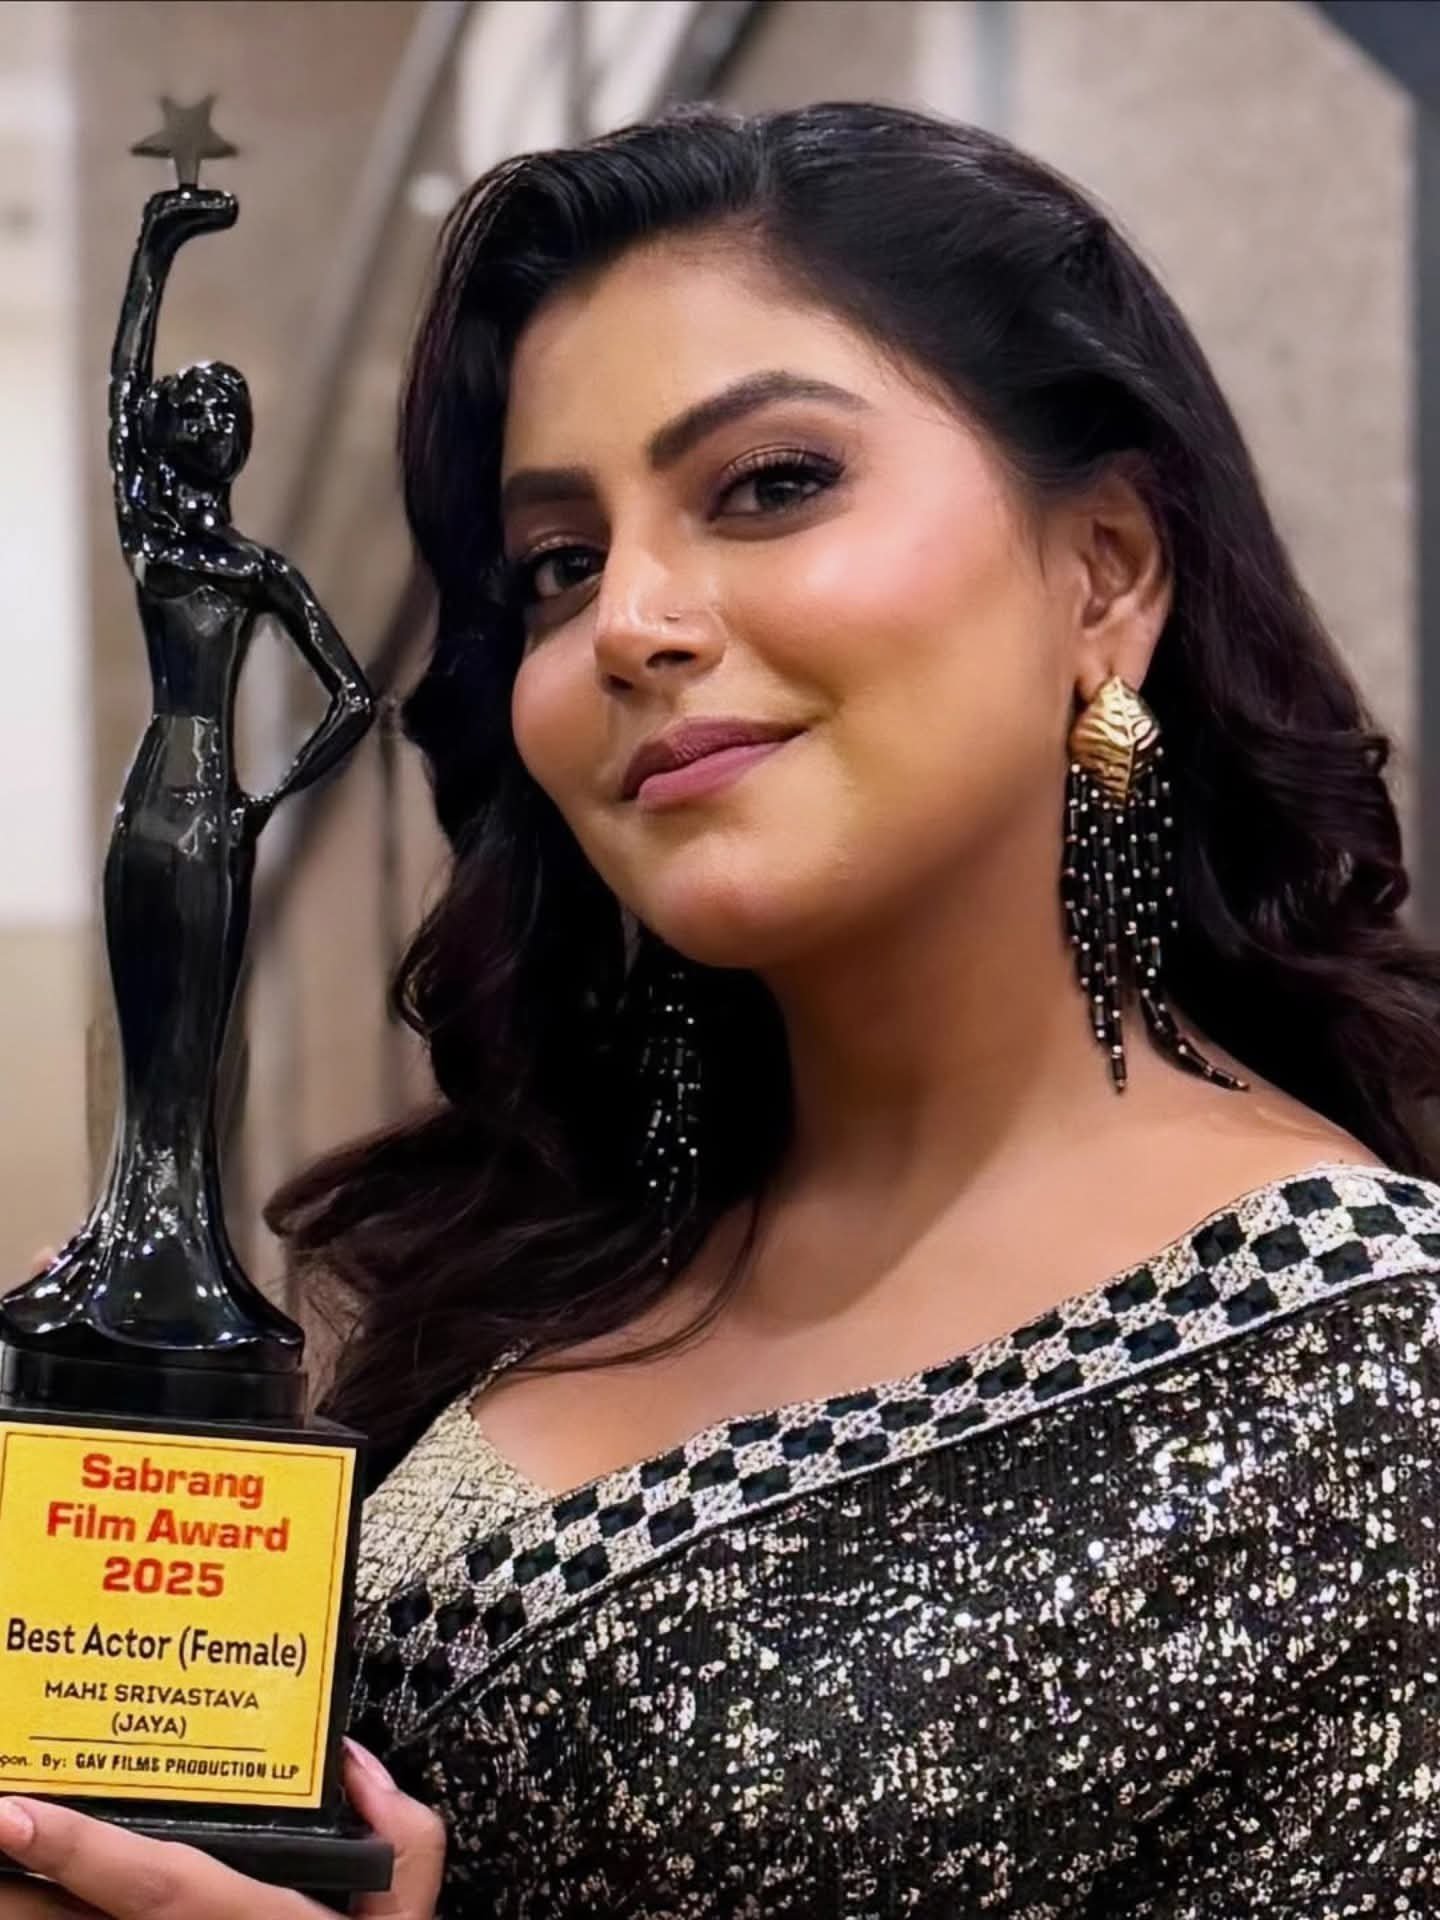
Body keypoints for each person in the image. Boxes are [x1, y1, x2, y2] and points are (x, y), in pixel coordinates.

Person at [6, 98, 1440, 1919]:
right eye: (557, 563)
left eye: (769, 485)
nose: (629, 622)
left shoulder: (1372, 1382)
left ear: (1107, 569)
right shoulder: (569, 1251)